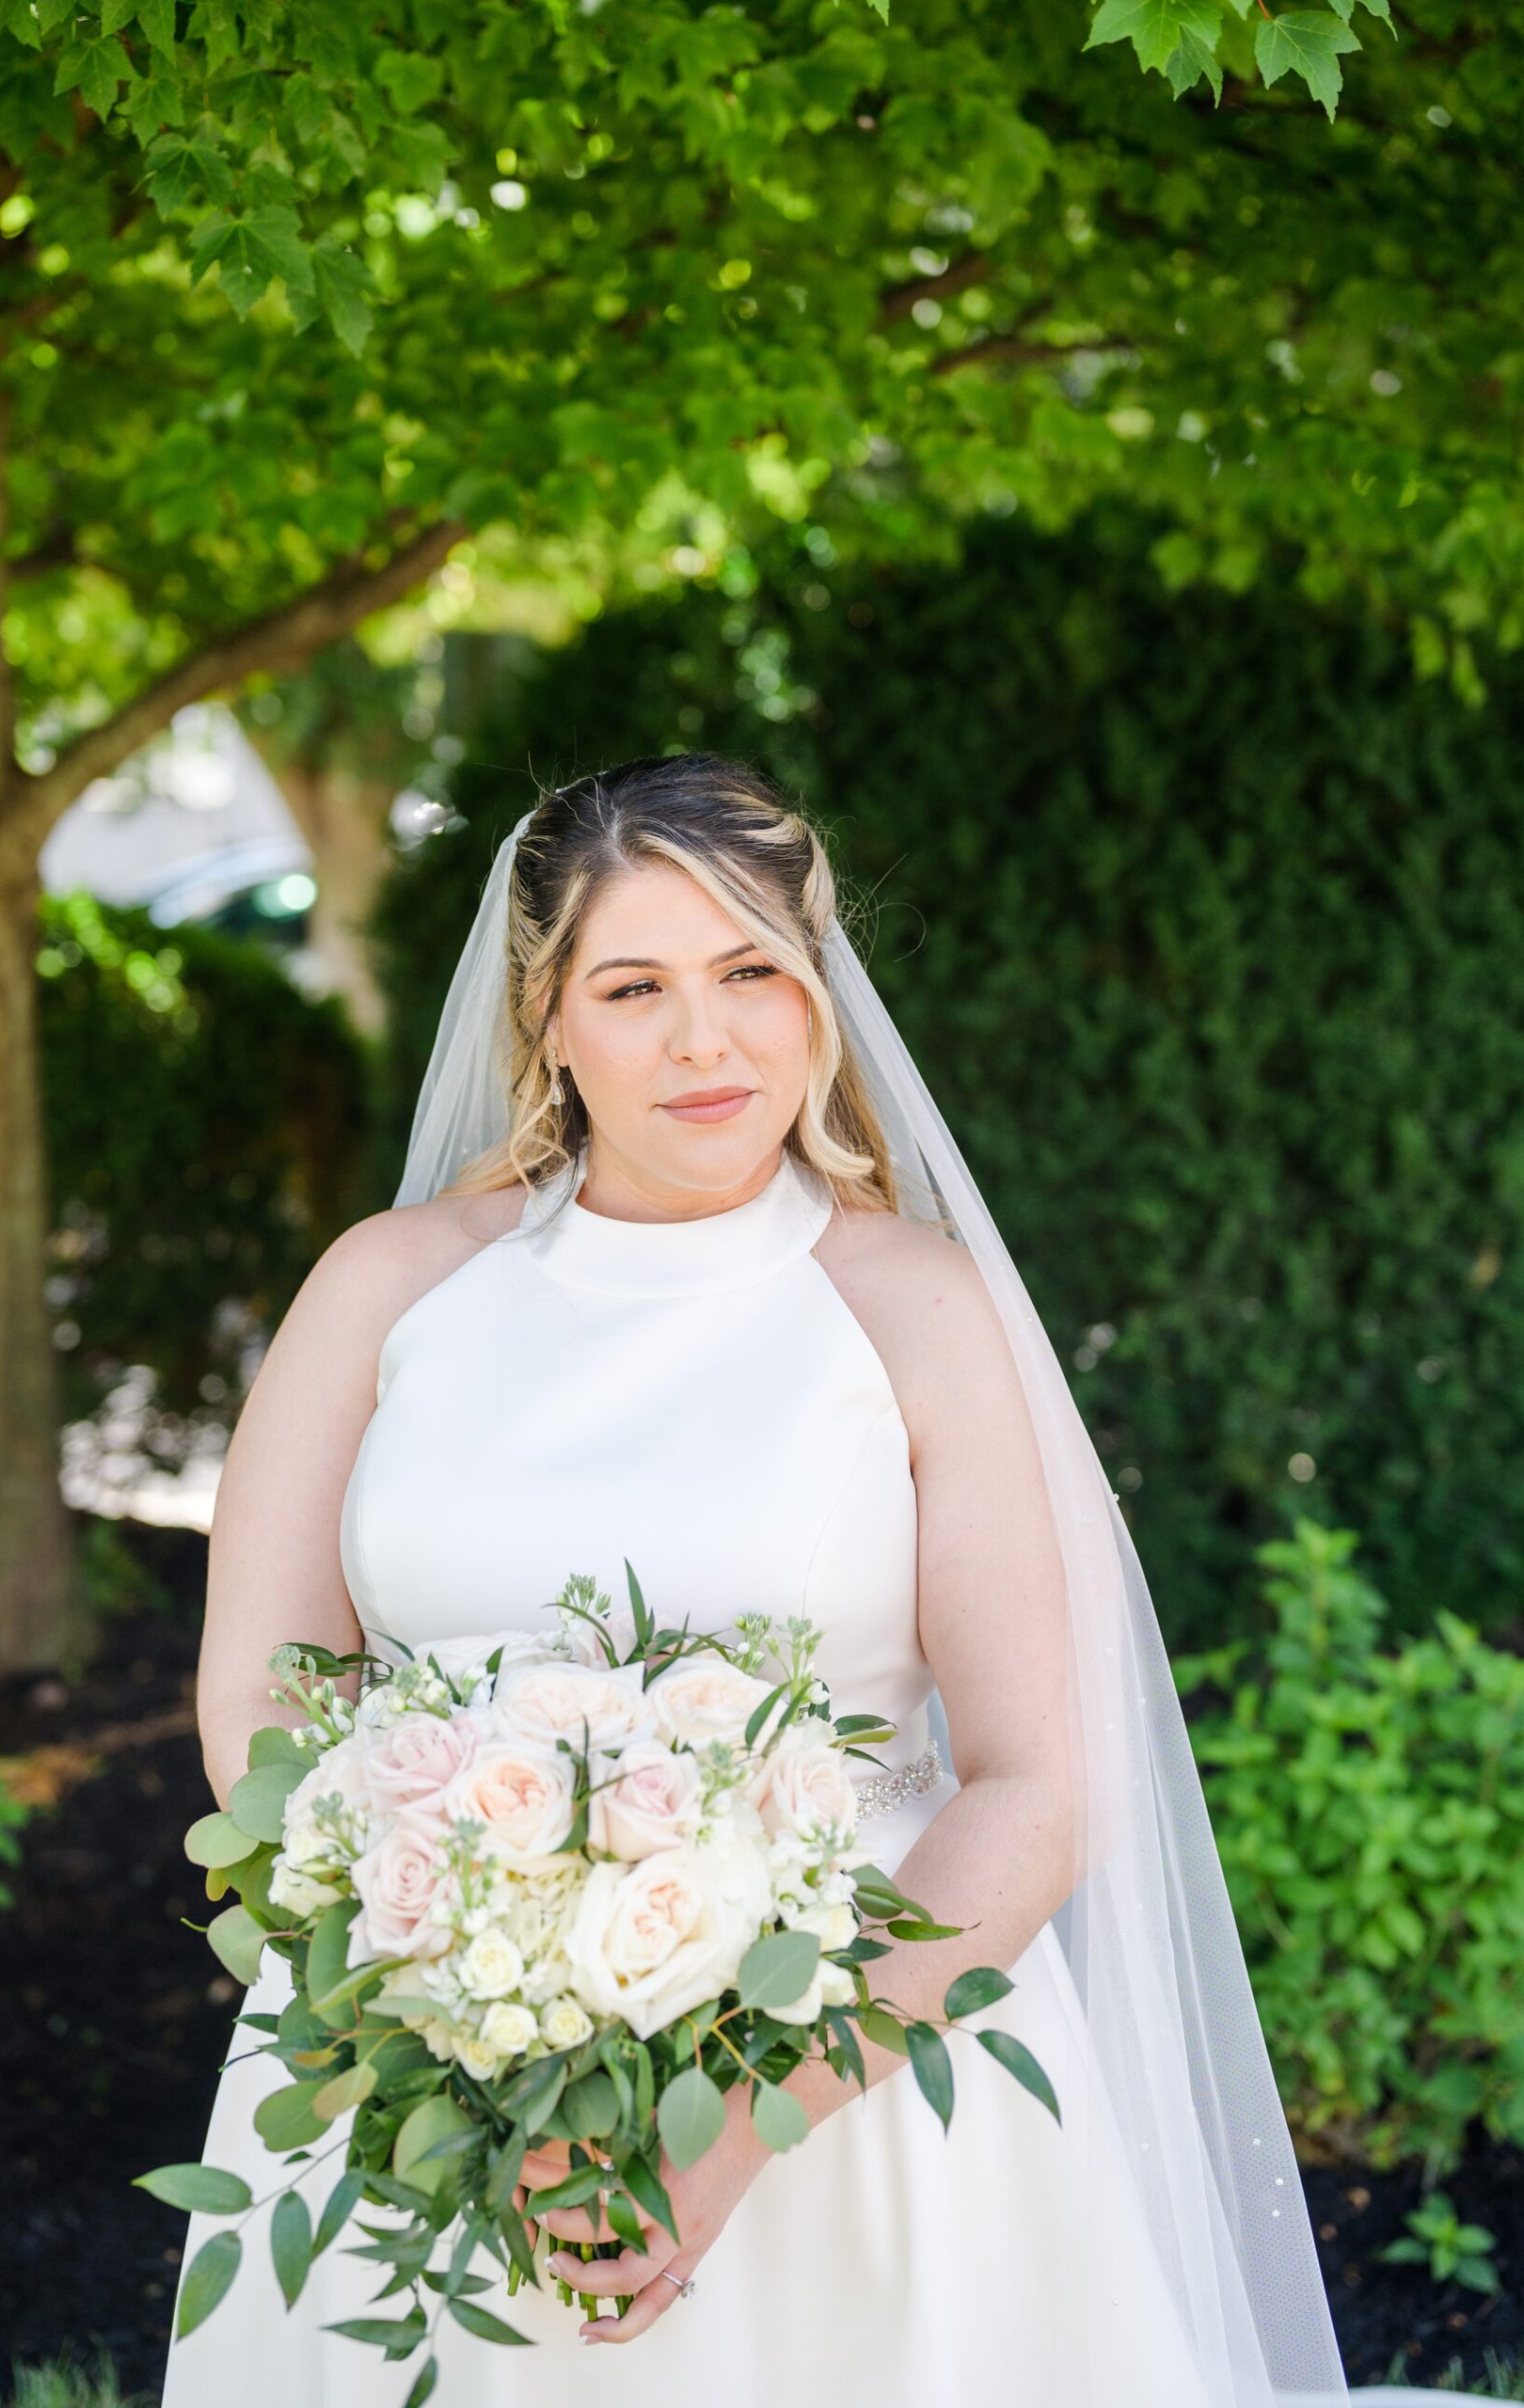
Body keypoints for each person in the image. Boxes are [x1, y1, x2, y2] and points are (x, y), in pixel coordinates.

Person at [161, 755, 1463, 2406]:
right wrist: (443, 2016)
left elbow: (1035, 1785)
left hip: (861, 2097)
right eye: (635, 988)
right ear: (547, 1019)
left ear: (819, 996)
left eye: (752, 975)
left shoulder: (912, 1306)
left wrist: (734, 2131)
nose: (706, 1043)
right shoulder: (386, 1289)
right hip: (436, 2082)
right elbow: (258, 1710)